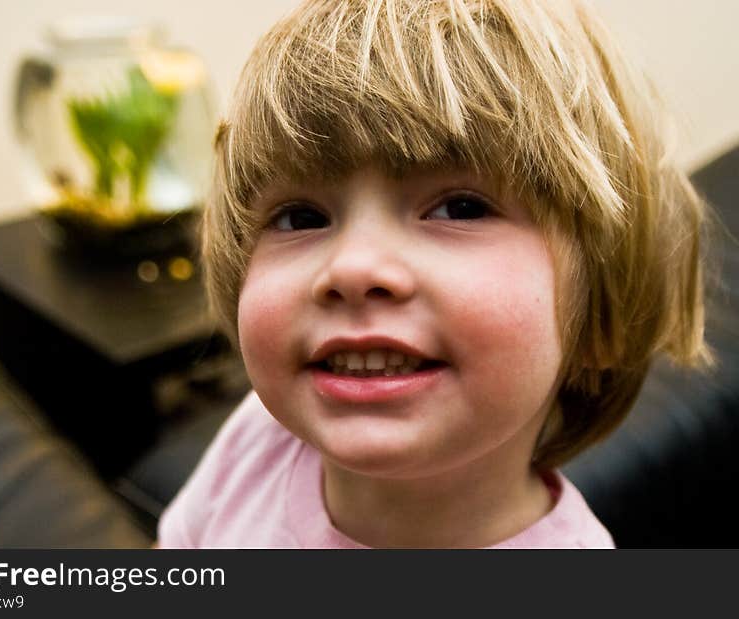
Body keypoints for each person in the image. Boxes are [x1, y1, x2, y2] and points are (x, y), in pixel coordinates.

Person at [157, 0, 711, 548]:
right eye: (301, 217)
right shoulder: (260, 438)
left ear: (600, 321)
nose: (352, 267)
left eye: (460, 209)